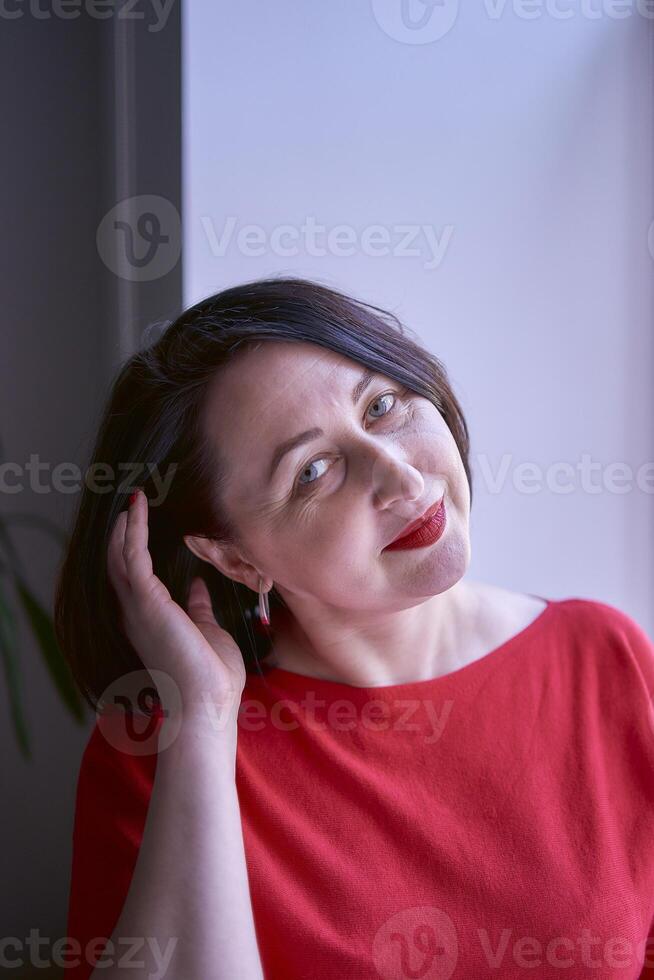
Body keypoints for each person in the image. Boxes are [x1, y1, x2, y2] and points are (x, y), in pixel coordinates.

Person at [55, 276, 654, 979]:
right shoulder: (157, 748)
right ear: (235, 558)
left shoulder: (604, 658)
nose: (400, 477)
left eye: (382, 405)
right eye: (312, 471)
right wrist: (204, 728)